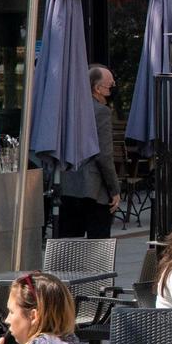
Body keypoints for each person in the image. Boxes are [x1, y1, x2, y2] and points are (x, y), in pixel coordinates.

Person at [56, 65, 120, 239]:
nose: (113, 89)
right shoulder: (102, 112)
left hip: (67, 183)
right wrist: (115, 189)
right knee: (98, 250)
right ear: (97, 89)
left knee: (68, 245)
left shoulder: (69, 108)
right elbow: (104, 155)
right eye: (110, 85)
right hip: (93, 189)